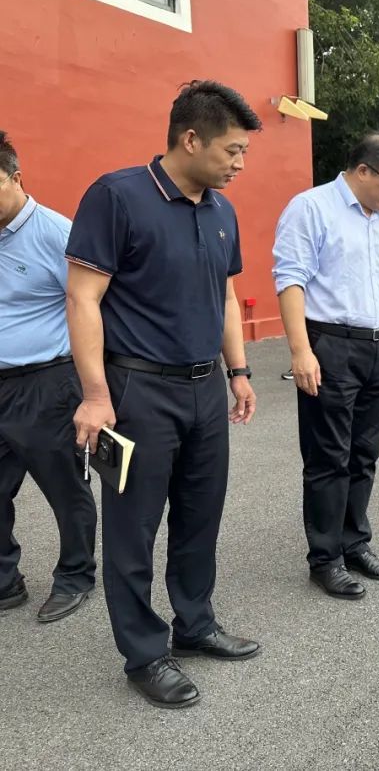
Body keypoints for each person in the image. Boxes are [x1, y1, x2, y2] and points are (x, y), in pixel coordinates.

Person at [66, 81, 261, 709]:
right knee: (133, 527)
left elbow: (226, 296)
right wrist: (96, 395)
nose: (240, 162)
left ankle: (196, 624)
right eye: (233, 150)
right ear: (190, 138)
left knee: (201, 514)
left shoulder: (222, 210)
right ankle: (145, 653)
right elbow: (83, 298)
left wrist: (239, 371)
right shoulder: (117, 197)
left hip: (206, 389)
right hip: (136, 391)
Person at [272, 131, 379, 604]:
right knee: (328, 456)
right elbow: (290, 279)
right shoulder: (311, 208)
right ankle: (325, 558)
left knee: (364, 453)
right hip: (328, 344)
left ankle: (355, 543)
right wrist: (300, 351)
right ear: (363, 170)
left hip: (375, 346)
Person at [0, 130, 97, 624]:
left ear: (16, 178)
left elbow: (95, 309)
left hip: (45, 384)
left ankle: (76, 575)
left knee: (65, 488)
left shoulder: (59, 234)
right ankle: (4, 580)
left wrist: (97, 391)